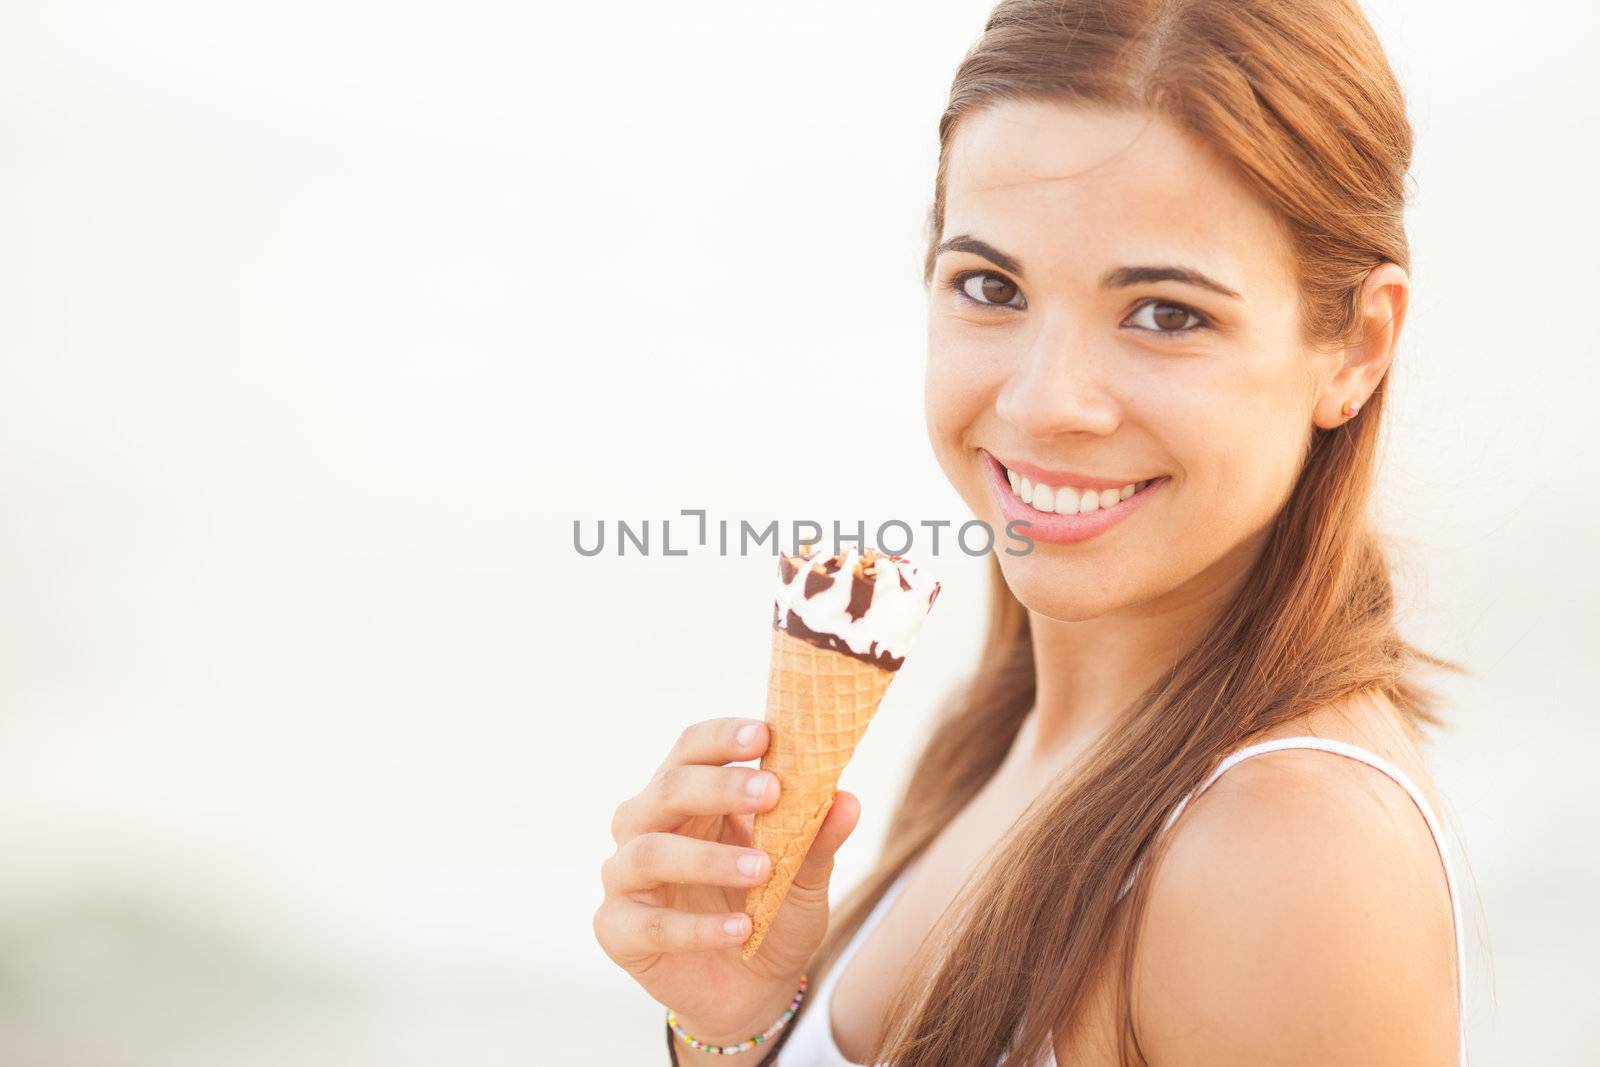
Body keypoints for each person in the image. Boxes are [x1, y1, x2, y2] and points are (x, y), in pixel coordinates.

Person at [595, 0, 1471, 1063]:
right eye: (991, 286)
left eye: (1164, 313)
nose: (1047, 399)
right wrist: (737, 1024)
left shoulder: (1287, 850)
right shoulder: (1005, 728)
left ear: (1355, 347)